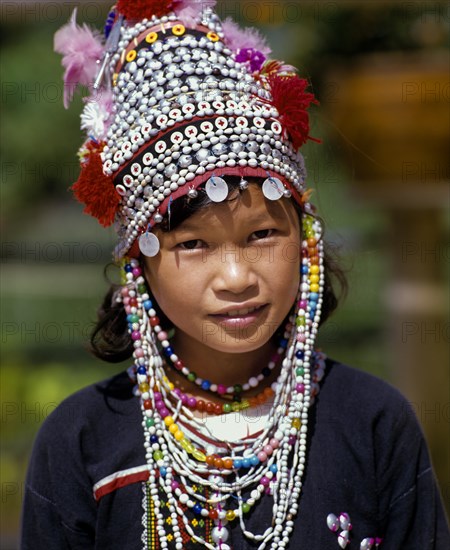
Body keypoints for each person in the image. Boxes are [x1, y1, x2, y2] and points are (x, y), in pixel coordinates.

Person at [21, 1, 449, 549]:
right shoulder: (82, 442)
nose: (235, 276)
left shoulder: (371, 422)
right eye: (193, 244)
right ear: (140, 266)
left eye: (262, 235)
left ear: (306, 240)